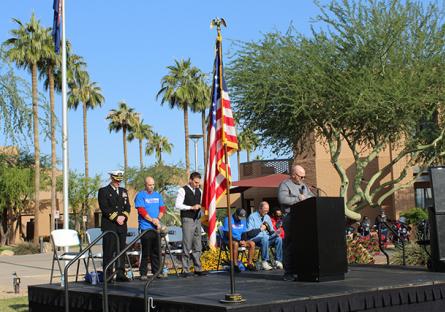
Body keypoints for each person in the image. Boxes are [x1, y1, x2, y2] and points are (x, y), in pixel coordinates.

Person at [278, 164, 314, 281]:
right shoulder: (285, 184)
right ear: (293, 175)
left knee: (302, 244)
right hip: (290, 218)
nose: (303, 179)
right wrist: (298, 199)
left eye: (304, 177)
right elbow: (282, 199)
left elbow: (312, 197)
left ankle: (301, 269)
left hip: (303, 219)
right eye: (301, 176)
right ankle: (288, 271)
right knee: (290, 244)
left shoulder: (303, 185)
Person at [98, 170, 131, 282]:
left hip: (122, 226)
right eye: (116, 180)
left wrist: (124, 217)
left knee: (121, 250)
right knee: (109, 251)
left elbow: (127, 207)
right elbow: (105, 208)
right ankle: (108, 275)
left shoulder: (123, 191)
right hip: (110, 226)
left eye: (120, 180)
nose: (118, 182)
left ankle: (120, 273)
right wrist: (116, 217)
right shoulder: (104, 191)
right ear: (111, 178)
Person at [175, 172, 207, 277]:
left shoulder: (200, 191)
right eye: (196, 182)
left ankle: (198, 268)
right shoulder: (182, 190)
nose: (197, 184)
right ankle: (185, 269)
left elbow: (202, 204)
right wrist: (190, 207)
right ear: (190, 180)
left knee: (198, 244)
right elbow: (178, 205)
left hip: (197, 220)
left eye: (199, 182)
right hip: (187, 219)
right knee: (187, 244)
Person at [134, 176, 165, 280]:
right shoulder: (140, 195)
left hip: (156, 228)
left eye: (153, 185)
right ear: (145, 185)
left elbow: (162, 208)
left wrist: (158, 219)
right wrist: (152, 220)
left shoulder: (158, 195)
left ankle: (157, 272)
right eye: (149, 185)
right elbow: (141, 211)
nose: (151, 187)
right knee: (146, 251)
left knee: (156, 251)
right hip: (146, 228)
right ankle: (143, 273)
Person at [247, 201, 283, 270]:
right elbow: (249, 233)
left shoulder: (267, 217)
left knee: (278, 239)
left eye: (268, 210)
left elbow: (271, 231)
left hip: (266, 239)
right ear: (260, 209)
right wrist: (260, 229)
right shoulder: (252, 217)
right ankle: (265, 261)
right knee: (265, 237)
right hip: (256, 239)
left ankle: (278, 261)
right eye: (265, 210)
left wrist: (276, 233)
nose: (266, 212)